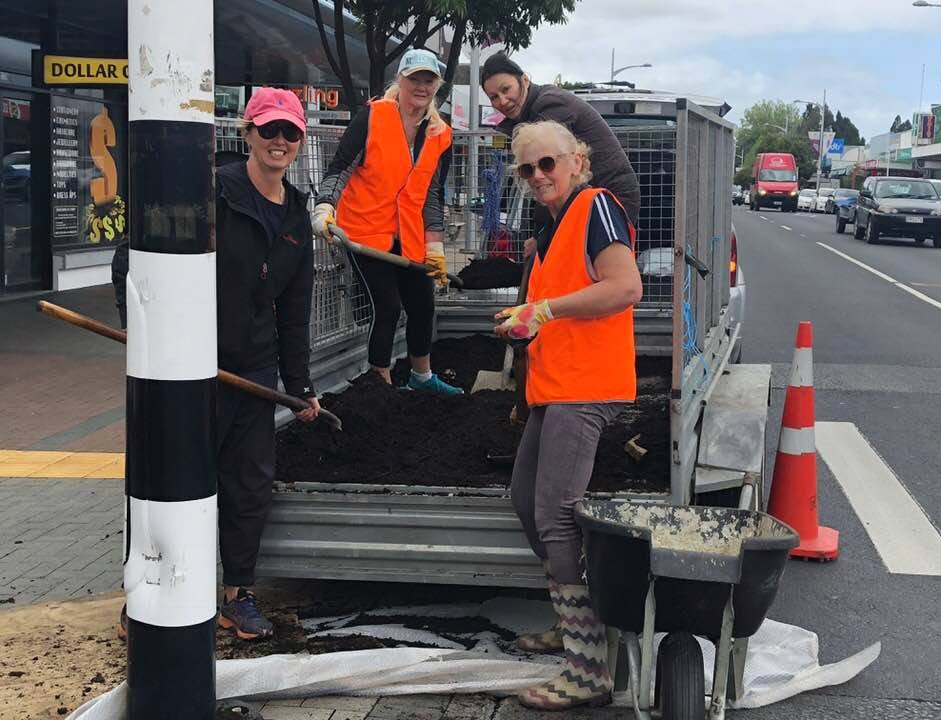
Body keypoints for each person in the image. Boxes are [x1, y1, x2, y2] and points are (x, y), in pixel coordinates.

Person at [113, 86, 322, 641]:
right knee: (171, 478)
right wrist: (140, 329)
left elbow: (294, 311)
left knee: (249, 482)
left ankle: (239, 596)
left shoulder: (297, 216)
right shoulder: (212, 193)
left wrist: (300, 387)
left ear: (300, 141)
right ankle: (146, 592)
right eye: (269, 130)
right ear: (247, 133)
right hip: (187, 366)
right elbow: (133, 252)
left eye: (290, 132)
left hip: (252, 372)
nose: (280, 141)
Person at [493, 120, 643, 710]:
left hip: (585, 387)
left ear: (578, 161)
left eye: (547, 164)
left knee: (556, 515)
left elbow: (625, 287)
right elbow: (562, 300)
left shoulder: (597, 207)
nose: (537, 177)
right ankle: (576, 619)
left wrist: (545, 310)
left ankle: (588, 669)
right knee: (526, 501)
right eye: (526, 170)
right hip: (555, 388)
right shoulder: (556, 225)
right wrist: (528, 314)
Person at [311, 48, 461, 395]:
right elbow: (340, 169)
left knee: (423, 304)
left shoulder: (440, 135)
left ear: (437, 85)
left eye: (428, 80)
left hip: (408, 235)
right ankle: (380, 386)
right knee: (388, 306)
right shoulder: (372, 118)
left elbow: (432, 194)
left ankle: (422, 378)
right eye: (414, 80)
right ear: (401, 81)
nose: (421, 87)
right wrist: (323, 207)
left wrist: (434, 245)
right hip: (363, 231)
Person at [481, 53, 643, 255]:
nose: (502, 101)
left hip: (610, 196)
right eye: (494, 97)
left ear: (524, 79)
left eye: (506, 89)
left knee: (590, 268)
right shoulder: (536, 109)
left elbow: (549, 179)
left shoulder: (549, 105)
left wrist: (541, 237)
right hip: (589, 197)